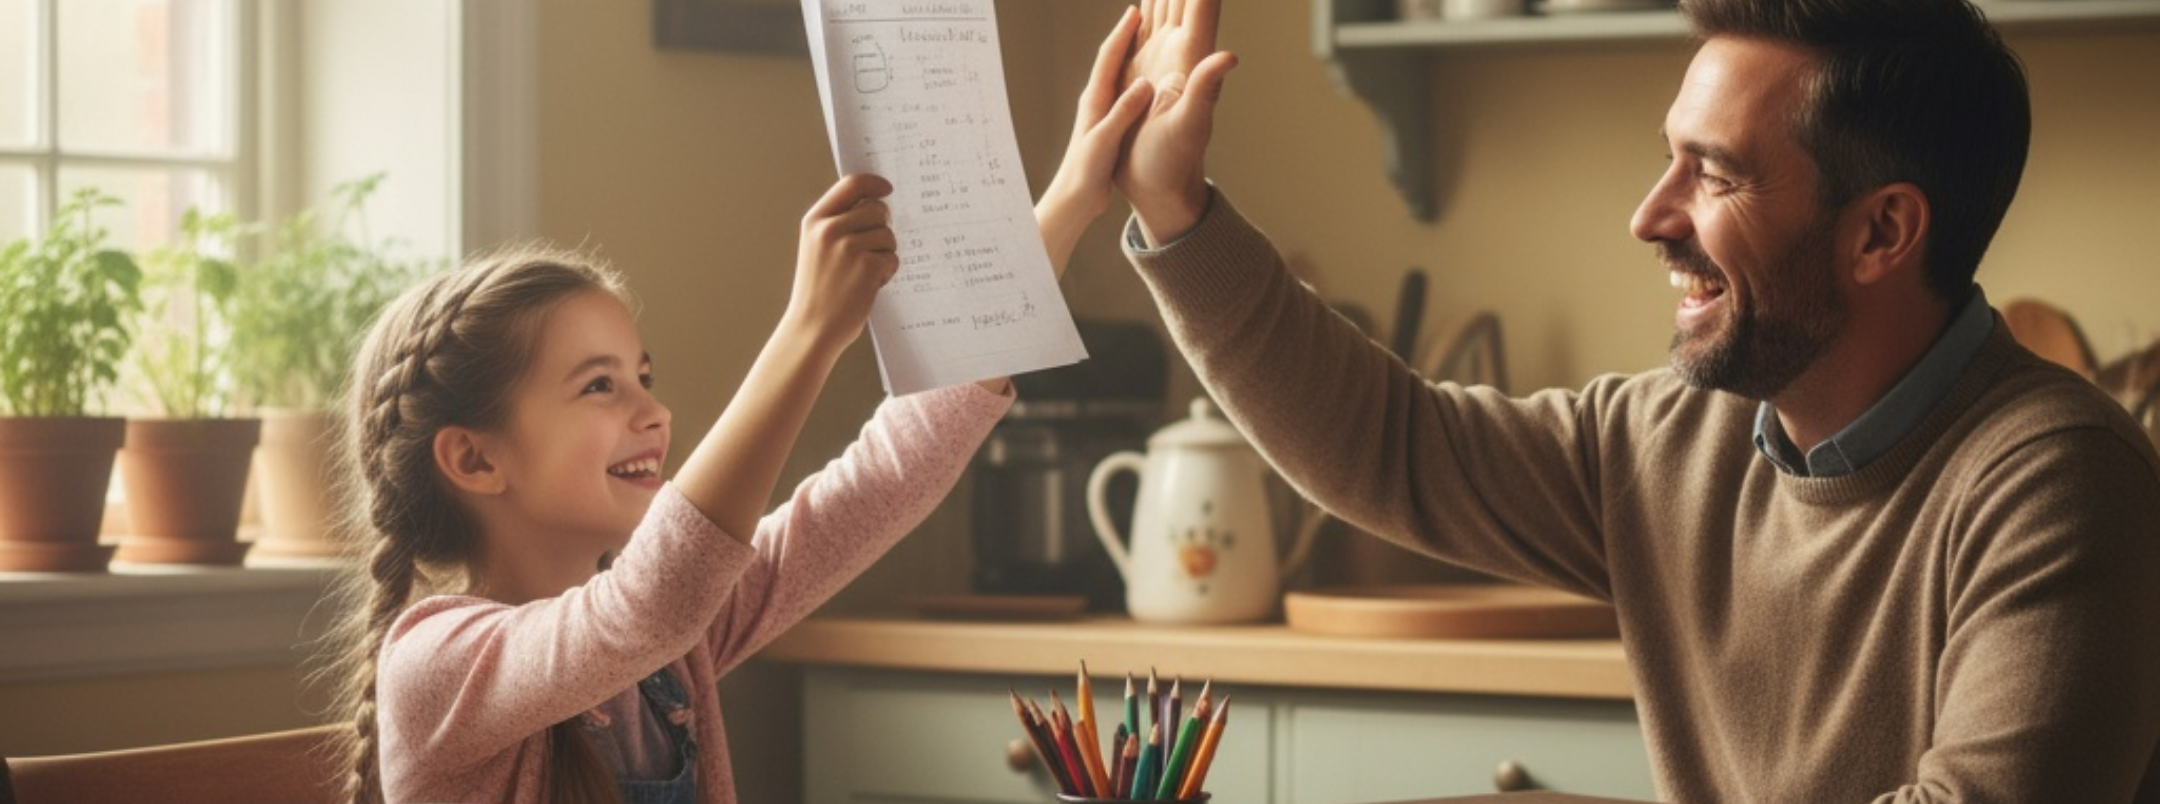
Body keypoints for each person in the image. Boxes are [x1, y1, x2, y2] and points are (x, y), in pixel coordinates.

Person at [1104, 0, 2160, 801]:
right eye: (1669, 160)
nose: (1650, 216)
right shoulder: (1674, 440)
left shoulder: (2060, 484)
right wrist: (1172, 203)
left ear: (1881, 232)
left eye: (1716, 174)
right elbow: (1393, 444)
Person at [316, 10, 1158, 804]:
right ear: (474, 458)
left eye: (644, 377)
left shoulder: (671, 654)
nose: (654, 414)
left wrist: (1074, 198)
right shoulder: (437, 665)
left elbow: (887, 476)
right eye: (599, 385)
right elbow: (654, 600)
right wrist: (808, 333)